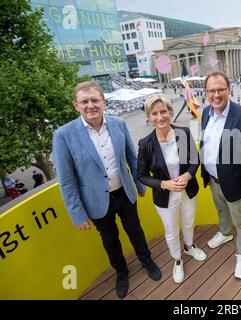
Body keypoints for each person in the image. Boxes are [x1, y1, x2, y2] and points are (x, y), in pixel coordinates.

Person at [52, 80, 161, 298]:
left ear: (103, 102)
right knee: (110, 240)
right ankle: (121, 273)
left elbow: (132, 156)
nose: (90, 105)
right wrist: (77, 214)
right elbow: (66, 180)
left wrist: (140, 184)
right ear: (76, 105)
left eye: (95, 100)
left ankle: (146, 260)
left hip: (125, 191)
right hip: (95, 201)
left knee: (135, 230)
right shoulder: (63, 135)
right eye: (85, 101)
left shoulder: (118, 123)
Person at [137, 94, 206, 284]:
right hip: (165, 196)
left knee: (188, 222)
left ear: (170, 112)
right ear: (149, 117)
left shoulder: (183, 133)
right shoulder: (146, 144)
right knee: (171, 231)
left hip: (188, 190)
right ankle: (177, 259)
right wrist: (164, 184)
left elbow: (195, 161)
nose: (160, 117)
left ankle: (189, 246)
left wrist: (187, 175)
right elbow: (141, 176)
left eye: (163, 112)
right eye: (154, 113)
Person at [200, 71, 241, 280]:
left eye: (220, 90)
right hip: (213, 178)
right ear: (206, 93)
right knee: (221, 210)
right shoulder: (206, 113)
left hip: (235, 183)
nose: (216, 94)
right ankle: (225, 233)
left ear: (228, 90)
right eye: (211, 90)